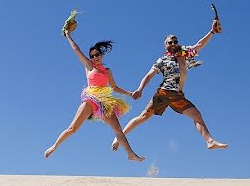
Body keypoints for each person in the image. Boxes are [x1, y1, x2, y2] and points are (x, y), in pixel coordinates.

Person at [111, 18, 228, 151]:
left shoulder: (184, 53)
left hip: (178, 96)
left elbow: (199, 45)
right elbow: (149, 74)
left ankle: (210, 141)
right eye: (170, 42)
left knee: (196, 115)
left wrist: (212, 31)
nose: (173, 43)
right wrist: (140, 89)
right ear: (165, 45)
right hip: (164, 93)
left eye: (175, 41)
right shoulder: (163, 60)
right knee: (143, 117)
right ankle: (119, 137)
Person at [45, 30, 145, 161]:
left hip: (104, 103)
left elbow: (114, 87)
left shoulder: (107, 71)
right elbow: (76, 49)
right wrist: (68, 35)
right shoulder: (89, 66)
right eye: (91, 56)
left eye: (96, 55)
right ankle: (54, 146)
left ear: (101, 55)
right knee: (72, 129)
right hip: (90, 100)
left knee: (118, 130)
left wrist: (130, 93)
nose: (94, 58)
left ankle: (130, 154)